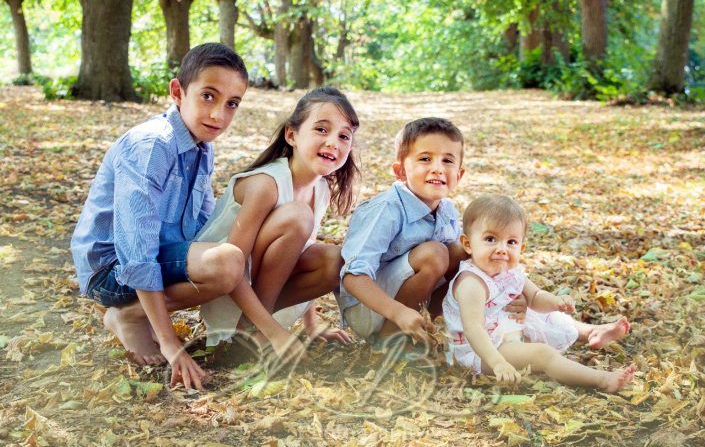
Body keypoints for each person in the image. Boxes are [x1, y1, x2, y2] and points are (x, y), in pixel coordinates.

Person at [71, 43, 279, 391]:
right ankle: (128, 315)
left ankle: (137, 315)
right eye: (208, 96)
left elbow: (205, 224)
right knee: (227, 262)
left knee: (238, 254)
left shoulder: (202, 146)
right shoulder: (153, 145)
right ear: (178, 92)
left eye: (232, 104)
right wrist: (170, 344)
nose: (219, 115)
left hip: (157, 254)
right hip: (111, 268)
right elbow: (136, 250)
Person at [197, 87, 357, 353]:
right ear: (291, 135)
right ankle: (251, 333)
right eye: (321, 129)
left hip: (261, 296)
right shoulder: (265, 184)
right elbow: (232, 266)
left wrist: (312, 324)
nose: (333, 143)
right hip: (226, 288)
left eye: (344, 136)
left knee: (334, 261)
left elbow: (300, 251)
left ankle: (253, 331)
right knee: (297, 216)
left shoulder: (321, 189)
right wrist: (274, 333)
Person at [338, 117, 504, 346]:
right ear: (400, 171)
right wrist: (397, 312)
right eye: (425, 159)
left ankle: (426, 327)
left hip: (410, 304)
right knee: (435, 253)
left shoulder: (446, 209)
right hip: (369, 307)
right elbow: (353, 277)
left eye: (447, 161)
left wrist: (512, 295)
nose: (437, 168)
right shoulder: (387, 208)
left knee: (465, 250)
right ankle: (389, 339)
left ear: (459, 174)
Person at [443, 194, 635, 393]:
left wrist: (557, 302)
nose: (501, 249)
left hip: (507, 331)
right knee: (542, 354)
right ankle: (602, 379)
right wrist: (498, 363)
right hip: (483, 352)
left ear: (521, 247)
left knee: (551, 317)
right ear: (467, 244)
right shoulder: (472, 283)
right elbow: (473, 329)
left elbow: (535, 297)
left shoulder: (509, 273)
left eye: (511, 242)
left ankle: (591, 332)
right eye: (490, 239)